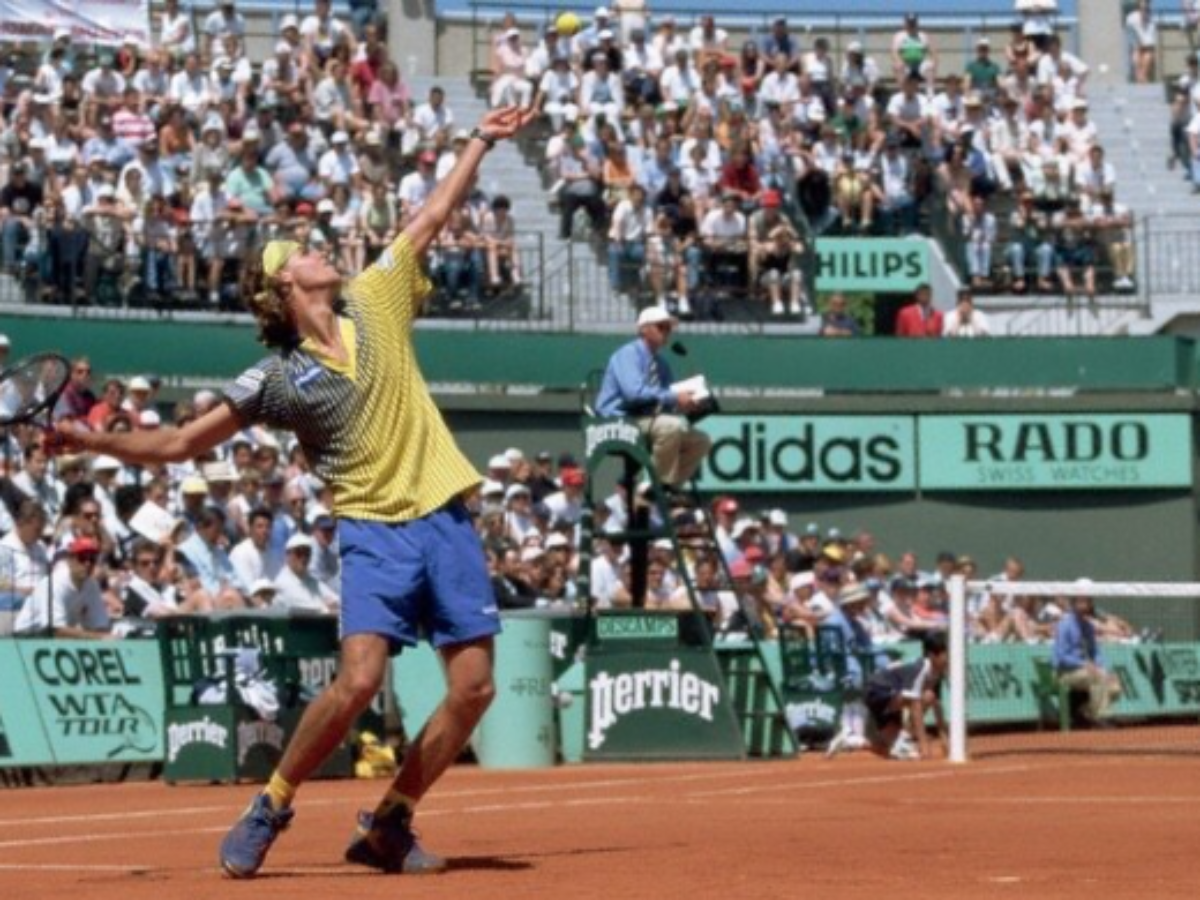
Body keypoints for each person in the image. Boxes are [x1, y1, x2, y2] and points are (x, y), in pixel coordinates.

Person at [55, 105, 537, 879]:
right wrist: (93, 438)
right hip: (373, 530)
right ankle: (271, 804)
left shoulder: (376, 297)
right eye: (306, 250)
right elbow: (182, 443)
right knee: (357, 682)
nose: (322, 251)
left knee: (474, 689)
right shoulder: (276, 378)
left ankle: (391, 820)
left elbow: (434, 214)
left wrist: (480, 140)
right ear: (284, 283)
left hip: (443, 513)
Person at [593, 306, 712, 490]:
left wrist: (685, 405)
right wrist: (673, 398)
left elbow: (665, 399)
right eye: (661, 327)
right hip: (617, 419)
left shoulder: (661, 363)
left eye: (668, 328)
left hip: (644, 419)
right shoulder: (628, 353)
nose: (666, 332)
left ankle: (666, 489)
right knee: (671, 426)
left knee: (701, 440)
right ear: (643, 329)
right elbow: (633, 393)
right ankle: (655, 483)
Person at [864, 632, 949, 761]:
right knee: (923, 698)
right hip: (877, 691)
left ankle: (852, 740)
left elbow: (937, 707)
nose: (950, 659)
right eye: (946, 654)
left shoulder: (937, 673)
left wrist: (945, 740)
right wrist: (923, 744)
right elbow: (915, 705)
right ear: (932, 655)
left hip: (893, 696)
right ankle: (903, 740)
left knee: (884, 748)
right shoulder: (920, 669)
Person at [12, 537, 110, 639]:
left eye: (92, 559)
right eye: (82, 557)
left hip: (54, 638)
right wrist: (99, 637)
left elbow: (100, 626)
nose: (88, 563)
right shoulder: (55, 583)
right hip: (27, 637)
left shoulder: (92, 585)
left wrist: (107, 637)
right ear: (70, 560)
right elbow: (56, 631)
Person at [1053, 587, 1121, 727]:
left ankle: (1084, 712)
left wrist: (1104, 669)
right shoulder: (1064, 625)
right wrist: (1083, 664)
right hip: (1064, 672)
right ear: (1074, 603)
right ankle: (1102, 716)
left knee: (1114, 686)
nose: (1085, 605)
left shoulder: (1088, 626)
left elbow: (1096, 652)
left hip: (1083, 671)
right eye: (1082, 602)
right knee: (1097, 677)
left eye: (1088, 602)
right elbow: (1061, 656)